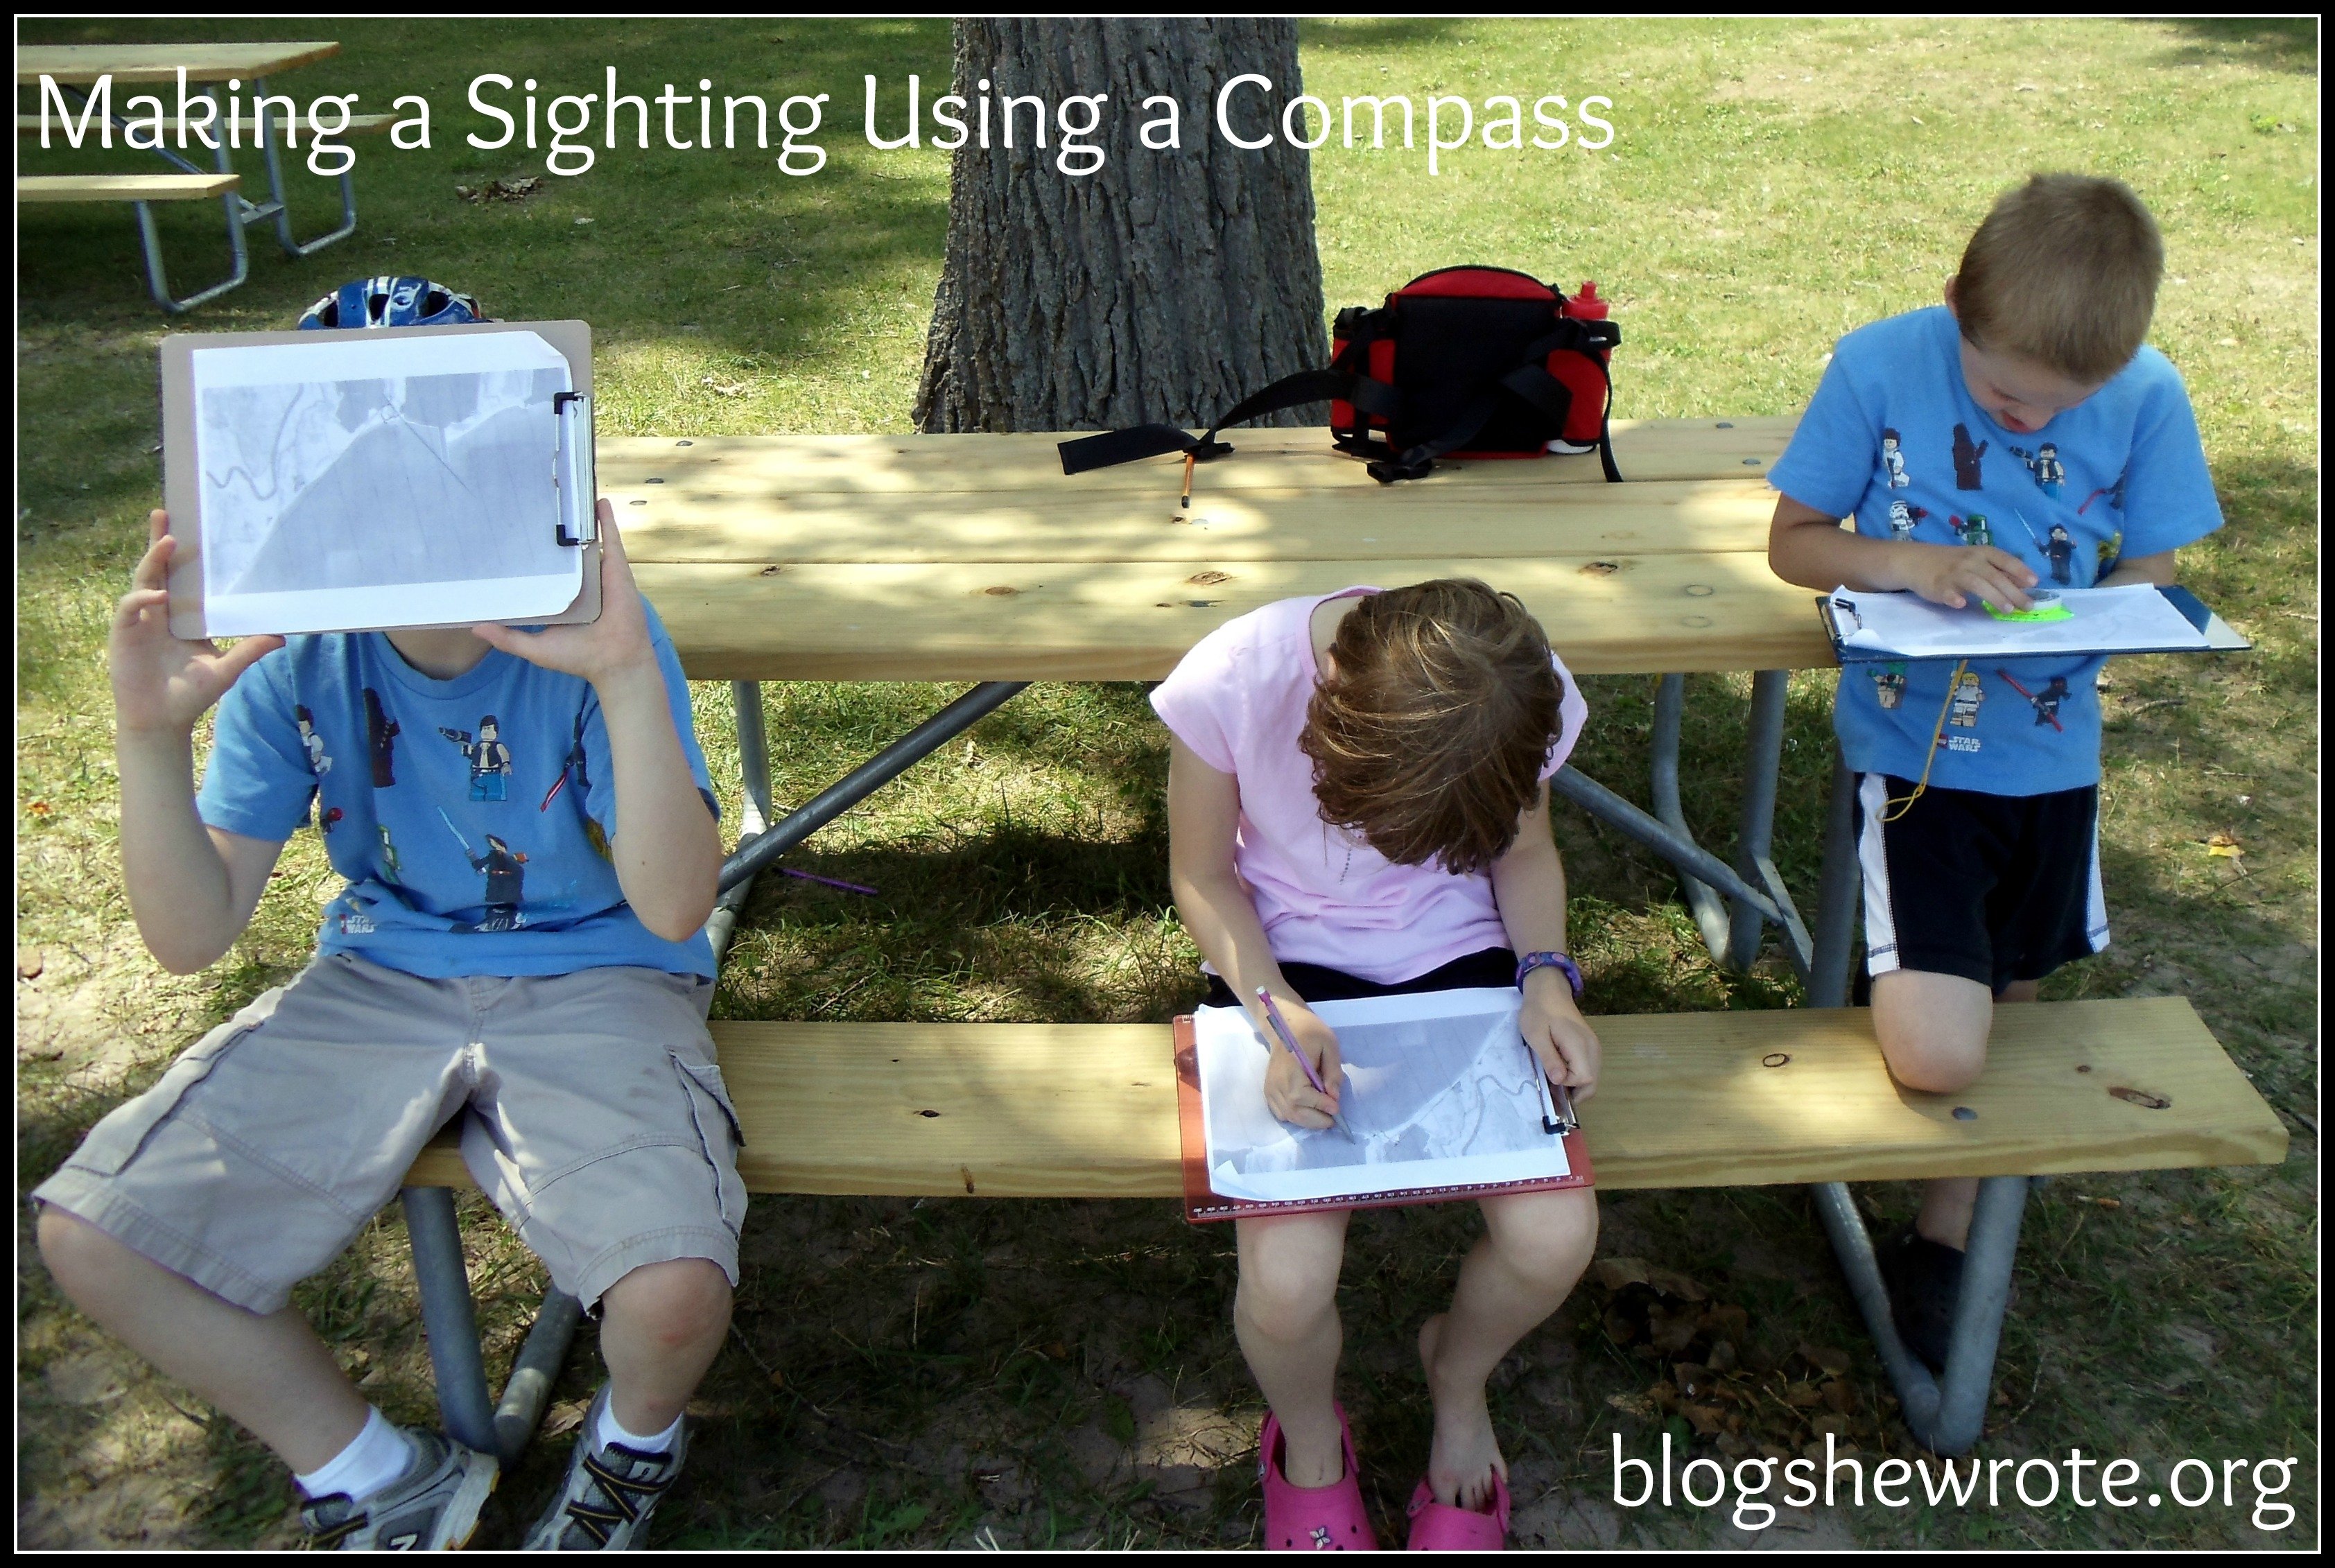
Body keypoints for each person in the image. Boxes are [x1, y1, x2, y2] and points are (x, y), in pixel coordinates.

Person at [35, 304, 738, 1542]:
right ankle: (374, 1471)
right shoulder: (294, 657)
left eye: (438, 452)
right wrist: (150, 736)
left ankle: (636, 1439)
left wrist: (627, 677)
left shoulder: (589, 634)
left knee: (676, 1292)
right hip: (382, 976)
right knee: (99, 1233)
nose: (406, 498)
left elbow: (676, 905)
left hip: (605, 974)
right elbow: (193, 932)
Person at [1764, 173, 2223, 1369]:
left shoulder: (2148, 391)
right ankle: (1895, 1145)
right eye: (2005, 395)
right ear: (1956, 304)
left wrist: (2094, 612)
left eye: (2059, 407)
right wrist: (1912, 565)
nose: (2028, 425)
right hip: (1916, 755)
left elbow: (2158, 565)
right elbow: (1795, 543)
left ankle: (1946, 1227)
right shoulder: (1879, 366)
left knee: (2012, 992)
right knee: (1935, 1051)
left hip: (2055, 756)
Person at [1154, 578, 1601, 1551]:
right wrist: (1275, 1013)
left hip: (1468, 956)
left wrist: (1546, 980)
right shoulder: (1234, 677)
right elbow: (1202, 873)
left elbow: (1524, 855)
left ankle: (1458, 1373)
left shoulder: (1517, 693)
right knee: (1283, 1283)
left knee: (1554, 1238)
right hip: (1289, 958)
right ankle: (1312, 1441)